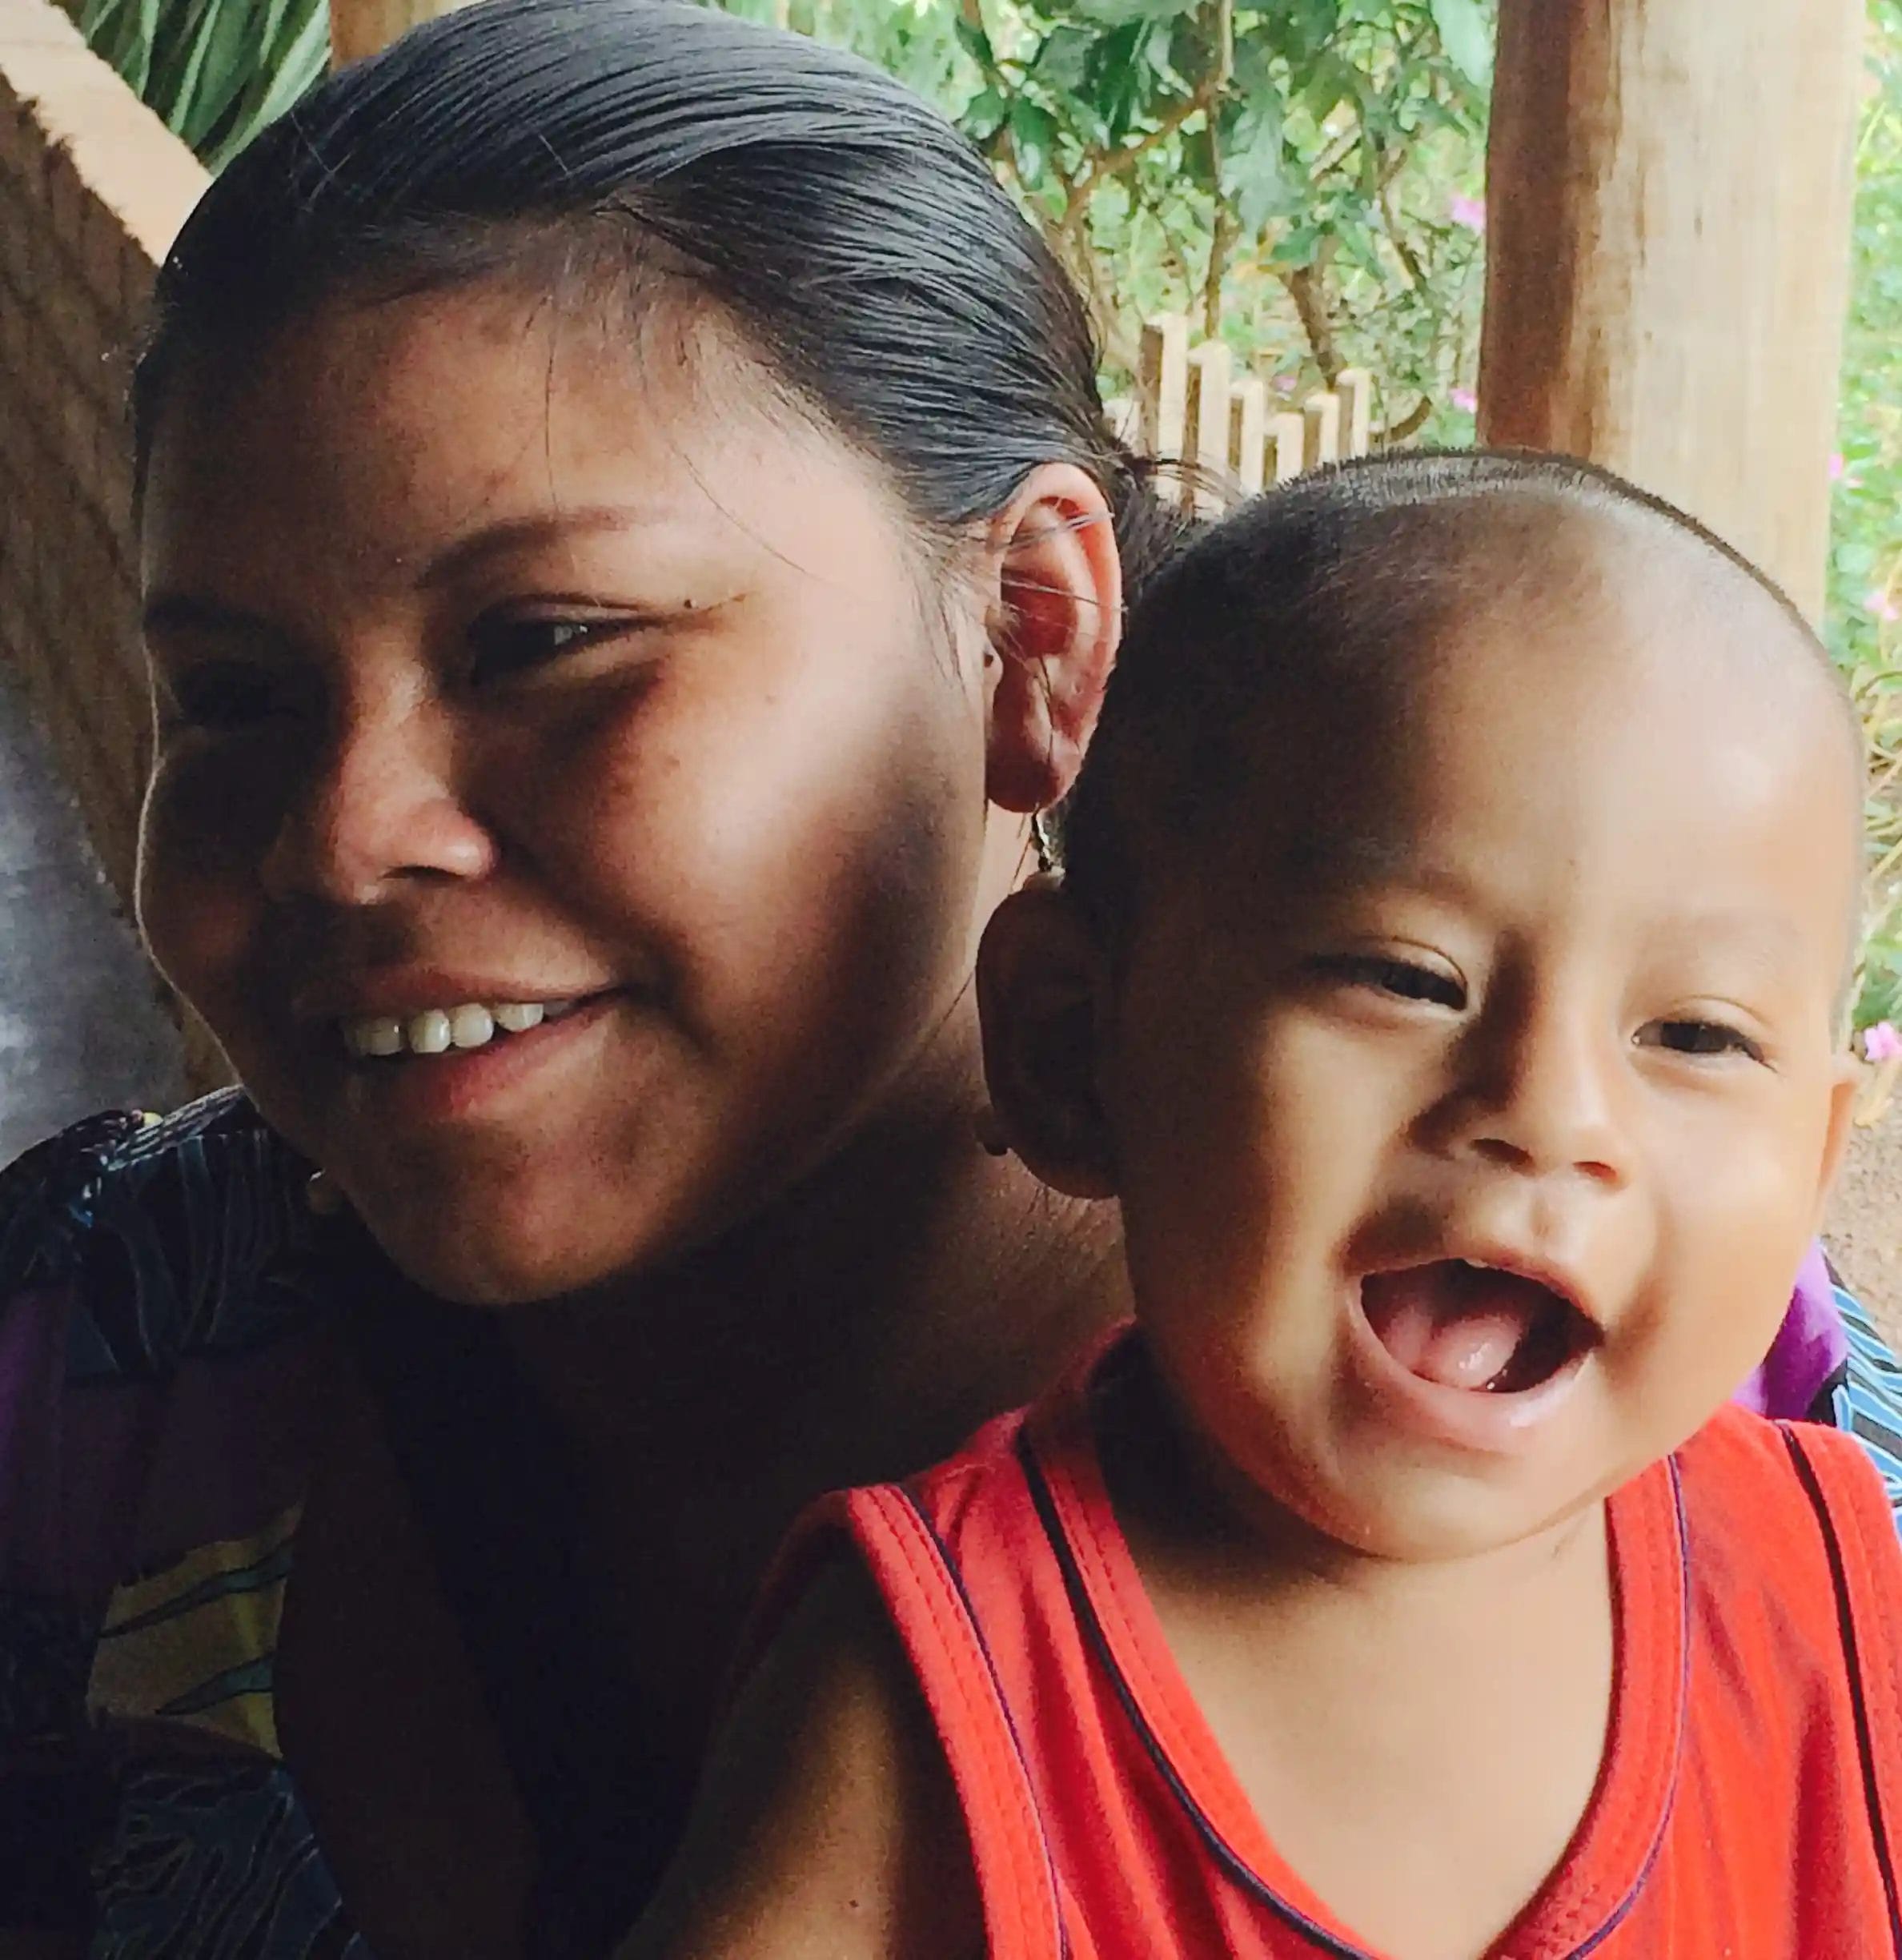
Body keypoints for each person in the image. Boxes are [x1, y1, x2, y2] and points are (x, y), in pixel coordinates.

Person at [0, 0, 1888, 1950]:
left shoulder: (1804, 1533)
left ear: (1033, 640)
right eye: (232, 696)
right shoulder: (94, 1371)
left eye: (545, 639)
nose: (340, 836)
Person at [623, 455, 1902, 1960]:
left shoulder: (1838, 1603)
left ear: (1816, 1157)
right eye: (1405, 977)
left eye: (1696, 1035)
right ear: (1070, 1049)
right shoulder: (940, 1684)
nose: (1553, 1114)